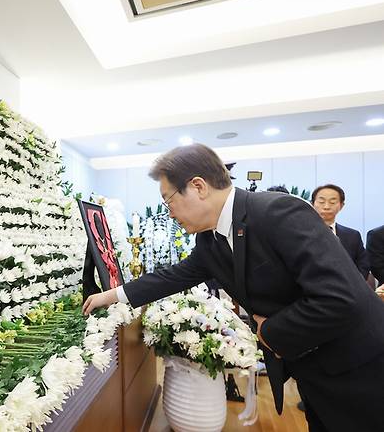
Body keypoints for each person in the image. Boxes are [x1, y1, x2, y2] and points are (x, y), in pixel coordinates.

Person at [83, 144, 384, 432]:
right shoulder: (210, 240)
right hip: (313, 369)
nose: (170, 213)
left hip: (359, 368)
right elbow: (172, 277)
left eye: (169, 200)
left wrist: (269, 332)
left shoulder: (278, 212)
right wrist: (110, 295)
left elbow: (341, 299)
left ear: (198, 186)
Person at [311, 184, 369, 280]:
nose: (326, 207)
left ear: (341, 205)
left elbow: (363, 265)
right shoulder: (302, 234)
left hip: (348, 290)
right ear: (312, 203)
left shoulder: (353, 235)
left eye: (332, 202)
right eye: (321, 202)